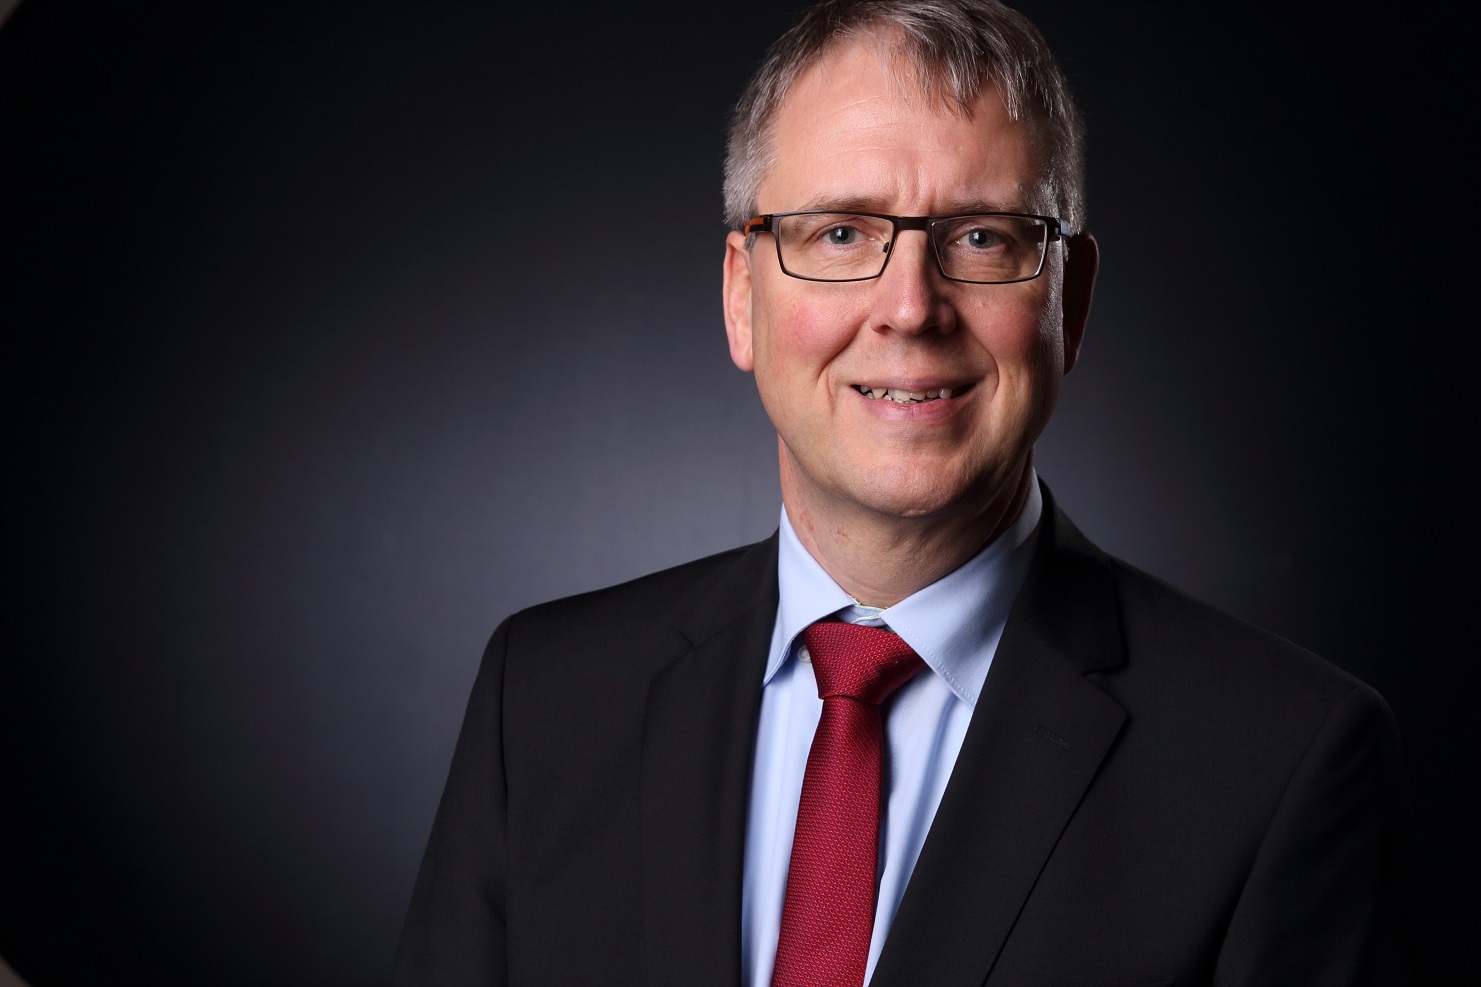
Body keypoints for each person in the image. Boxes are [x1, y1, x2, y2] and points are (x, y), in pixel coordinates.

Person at [393, 0, 1413, 983]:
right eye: (839, 233)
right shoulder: (543, 700)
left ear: (1069, 303)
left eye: (982, 236)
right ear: (741, 296)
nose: (910, 307)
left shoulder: (1278, 757)